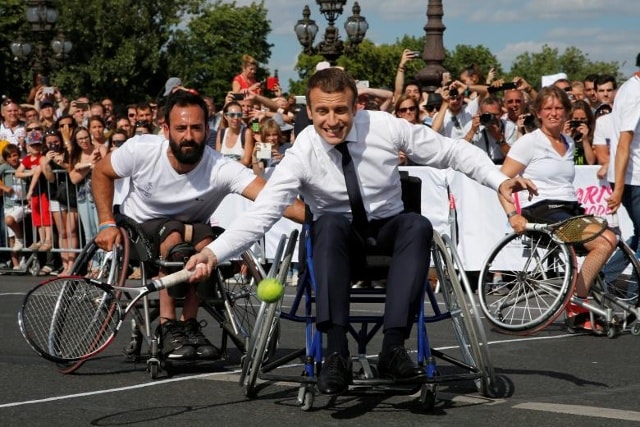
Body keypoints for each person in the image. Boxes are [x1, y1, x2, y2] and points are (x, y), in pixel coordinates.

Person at [185, 68, 537, 395]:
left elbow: (452, 151)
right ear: (310, 110)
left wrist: (499, 181)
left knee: (418, 224)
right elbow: (264, 212)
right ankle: (336, 353)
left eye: (341, 110)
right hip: (336, 242)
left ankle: (394, 348)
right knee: (329, 222)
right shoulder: (303, 149)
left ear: (356, 106)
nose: (332, 121)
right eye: (322, 111)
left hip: (387, 231)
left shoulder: (386, 127)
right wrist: (214, 252)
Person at [91, 90, 304, 360]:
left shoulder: (219, 167)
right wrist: (105, 222)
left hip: (192, 233)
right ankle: (168, 326)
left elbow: (276, 199)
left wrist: (322, 218)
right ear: (166, 129)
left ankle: (189, 324)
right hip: (139, 229)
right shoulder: (141, 149)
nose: (188, 136)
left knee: (206, 243)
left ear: (207, 129)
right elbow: (101, 172)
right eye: (181, 128)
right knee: (174, 236)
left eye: (196, 128)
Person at [498, 86, 617, 332]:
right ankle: (576, 305)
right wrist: (512, 215)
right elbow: (500, 182)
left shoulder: (568, 143)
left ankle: (578, 298)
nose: (554, 113)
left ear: (566, 112)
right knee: (604, 242)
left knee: (611, 237)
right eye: (548, 108)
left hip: (569, 208)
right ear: (539, 113)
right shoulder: (529, 143)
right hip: (542, 210)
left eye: (559, 108)